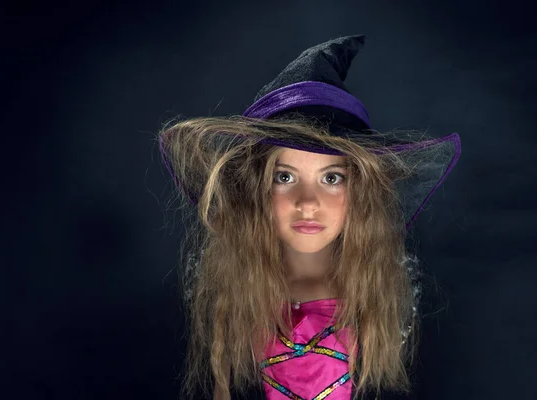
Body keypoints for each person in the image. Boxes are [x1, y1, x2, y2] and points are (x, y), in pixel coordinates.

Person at [158, 35, 461, 400]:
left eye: (331, 178)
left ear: (360, 192)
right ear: (256, 188)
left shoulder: (378, 292)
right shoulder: (231, 292)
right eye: (284, 177)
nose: (307, 203)